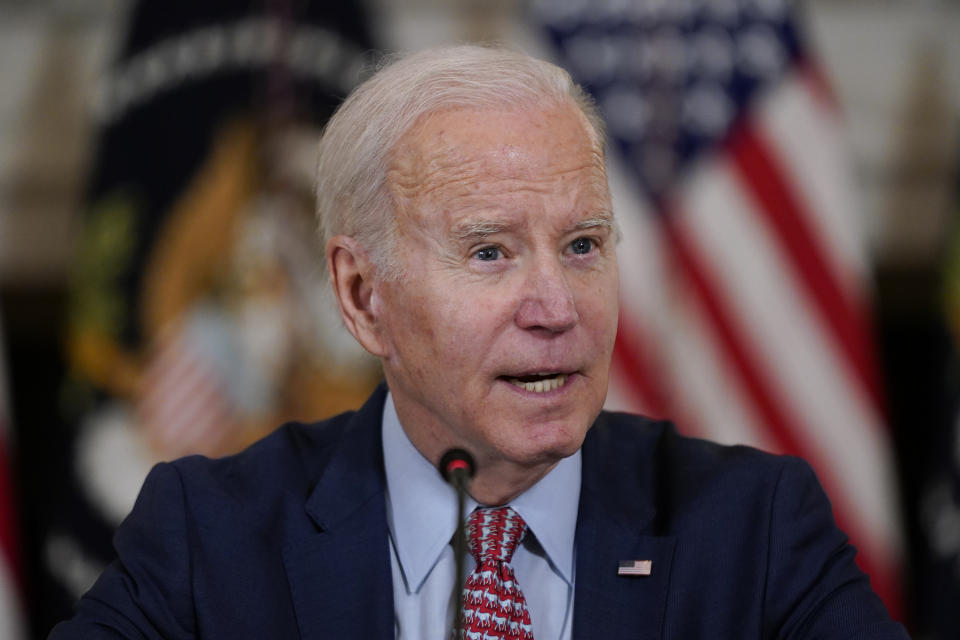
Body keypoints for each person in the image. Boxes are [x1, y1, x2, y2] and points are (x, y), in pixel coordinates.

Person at [50, 44, 908, 639]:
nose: (555, 306)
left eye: (583, 246)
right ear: (360, 295)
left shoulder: (751, 531)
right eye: (489, 252)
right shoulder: (213, 539)